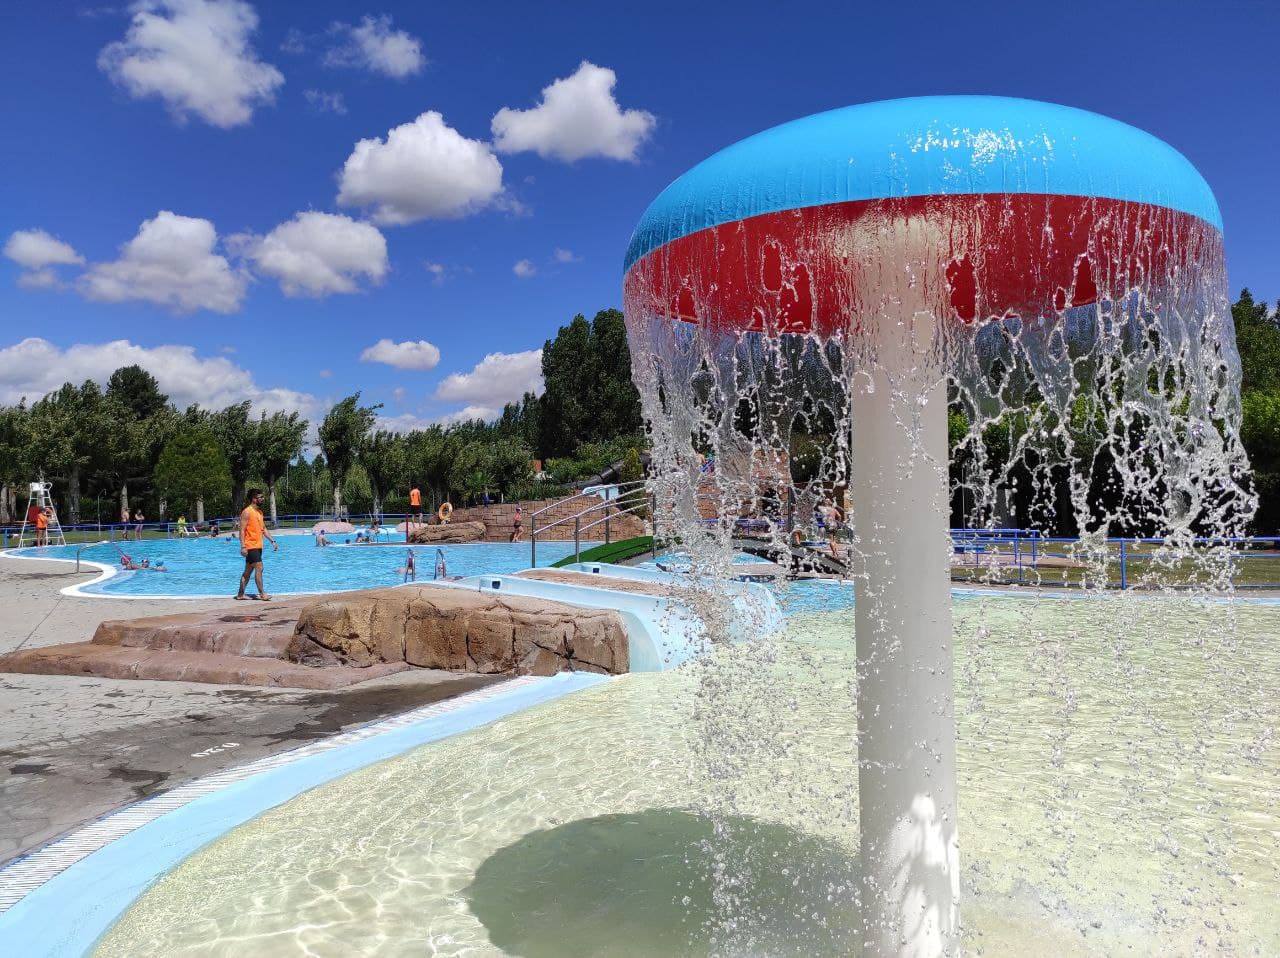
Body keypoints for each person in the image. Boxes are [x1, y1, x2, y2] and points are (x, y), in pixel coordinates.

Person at [235, 489, 278, 601]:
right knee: (259, 567)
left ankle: (240, 595)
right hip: (250, 546)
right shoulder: (247, 512)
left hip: (258, 546)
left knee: (248, 571)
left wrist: (272, 541)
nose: (263, 499)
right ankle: (262, 594)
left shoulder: (259, 512)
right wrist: (243, 546)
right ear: (254, 499)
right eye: (260, 497)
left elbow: (263, 529)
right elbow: (242, 530)